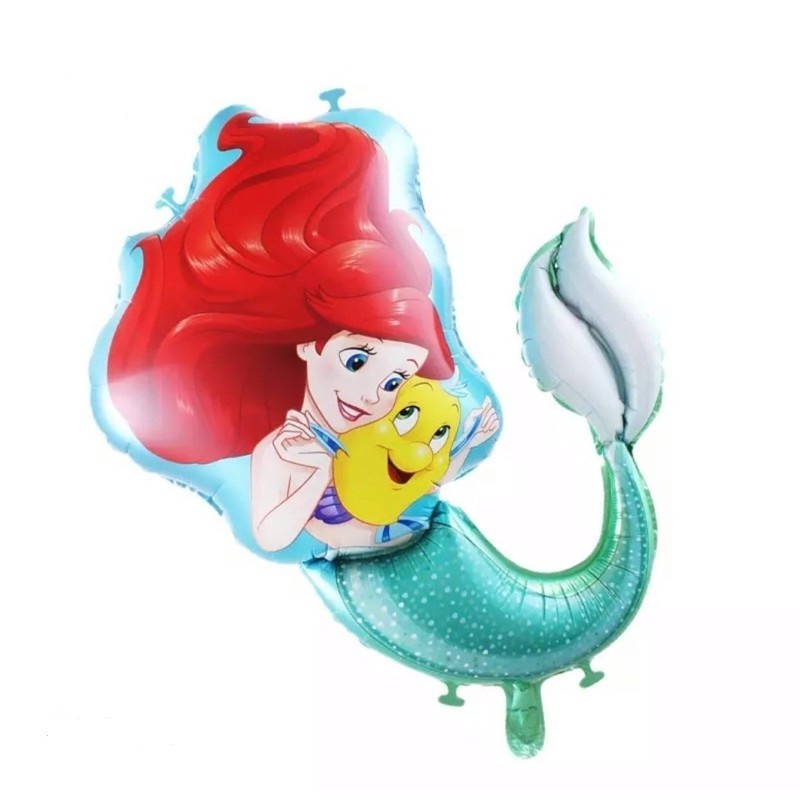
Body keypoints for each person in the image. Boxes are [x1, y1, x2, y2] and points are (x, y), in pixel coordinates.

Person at [107, 113, 496, 558]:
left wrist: (469, 439)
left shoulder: (386, 428)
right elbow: (271, 537)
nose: (373, 396)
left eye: (394, 381)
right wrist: (315, 474)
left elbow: (427, 478)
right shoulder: (282, 449)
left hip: (424, 549)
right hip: (358, 569)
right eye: (356, 361)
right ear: (311, 345)